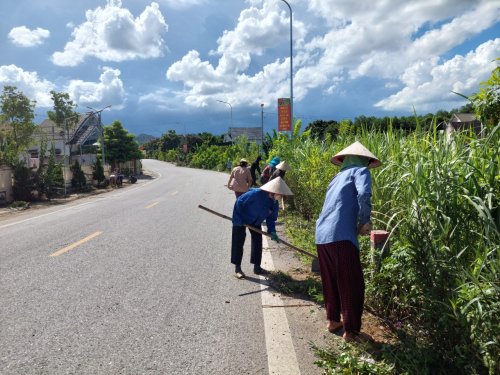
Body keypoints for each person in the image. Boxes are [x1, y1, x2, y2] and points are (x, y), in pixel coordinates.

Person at [315, 141, 381, 342]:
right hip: (341, 236)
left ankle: (333, 320)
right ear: (365, 161)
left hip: (321, 235)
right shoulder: (361, 172)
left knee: (331, 281)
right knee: (352, 284)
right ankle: (351, 332)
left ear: (344, 160)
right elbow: (364, 193)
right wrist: (365, 221)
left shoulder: (336, 178)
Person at [231, 177, 293, 278]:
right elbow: (239, 202)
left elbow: (271, 219)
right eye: (280, 195)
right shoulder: (255, 194)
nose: (280, 197)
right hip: (241, 218)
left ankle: (257, 267)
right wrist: (239, 220)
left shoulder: (274, 203)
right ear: (274, 191)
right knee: (238, 242)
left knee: (257, 241)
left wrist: (272, 231)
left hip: (256, 221)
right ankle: (238, 268)